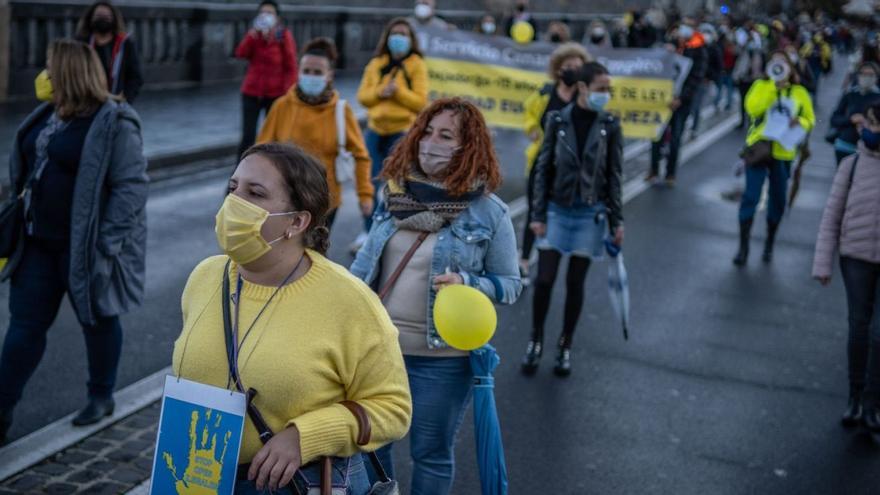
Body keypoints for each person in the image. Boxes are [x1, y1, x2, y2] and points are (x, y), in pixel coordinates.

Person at [174, 142, 412, 494]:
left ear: (298, 222)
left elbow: (393, 408)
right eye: (233, 187)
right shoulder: (205, 276)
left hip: (291, 485)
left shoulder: (348, 300)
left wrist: (305, 437)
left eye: (256, 193)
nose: (234, 203)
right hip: (196, 478)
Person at [351, 98, 522, 494]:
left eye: (446, 135)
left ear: (469, 146)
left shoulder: (489, 213)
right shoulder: (393, 194)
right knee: (374, 447)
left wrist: (468, 282)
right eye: (427, 131)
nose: (432, 142)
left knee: (430, 453)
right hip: (379, 350)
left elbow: (510, 284)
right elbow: (363, 267)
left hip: (442, 360)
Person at [0, 39, 148, 444]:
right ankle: (2, 409)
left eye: (49, 66)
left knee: (97, 319)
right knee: (24, 328)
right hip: (36, 244)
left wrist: (105, 244)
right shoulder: (49, 113)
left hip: (83, 248)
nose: (43, 74)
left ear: (67, 71)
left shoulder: (115, 121)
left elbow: (131, 188)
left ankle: (101, 395)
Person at [524, 62, 624, 376]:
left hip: (589, 213)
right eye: (601, 89)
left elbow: (614, 175)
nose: (605, 95)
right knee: (544, 279)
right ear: (582, 88)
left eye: (608, 90)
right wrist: (537, 214)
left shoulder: (610, 125)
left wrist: (616, 220)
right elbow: (542, 170)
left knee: (575, 283)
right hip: (556, 208)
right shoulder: (557, 120)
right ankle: (535, 340)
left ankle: (565, 345)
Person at [813, 102, 880, 434]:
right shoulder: (851, 166)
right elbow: (831, 217)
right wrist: (822, 263)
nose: (873, 131)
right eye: (871, 124)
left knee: (878, 335)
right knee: (859, 328)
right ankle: (854, 398)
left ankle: (872, 403)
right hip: (854, 258)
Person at [257, 38, 373, 230]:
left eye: (317, 72)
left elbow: (361, 156)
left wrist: (365, 195)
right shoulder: (282, 106)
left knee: (315, 256)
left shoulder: (341, 111)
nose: (311, 76)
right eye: (306, 71)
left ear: (329, 76)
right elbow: (261, 152)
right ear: (299, 73)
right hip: (285, 199)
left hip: (325, 202)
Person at [733, 51, 815, 266]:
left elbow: (810, 119)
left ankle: (769, 242)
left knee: (777, 199)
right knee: (751, 196)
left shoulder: (799, 92)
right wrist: (772, 87)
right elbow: (752, 108)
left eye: (783, 62)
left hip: (784, 152)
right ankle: (743, 246)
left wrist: (801, 123)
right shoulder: (760, 86)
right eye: (774, 62)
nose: (778, 65)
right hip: (759, 149)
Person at [520, 43, 591, 285]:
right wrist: (531, 129)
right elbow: (529, 111)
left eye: (577, 67)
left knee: (558, 213)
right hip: (541, 163)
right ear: (557, 69)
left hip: (570, 170)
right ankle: (525, 260)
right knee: (535, 210)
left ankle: (550, 259)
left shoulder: (586, 98)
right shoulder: (545, 92)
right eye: (567, 66)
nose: (572, 70)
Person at [356, 18, 428, 252]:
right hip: (375, 131)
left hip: (401, 132)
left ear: (411, 39)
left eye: (403, 34)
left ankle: (391, 231)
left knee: (396, 185)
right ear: (387, 37)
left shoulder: (417, 65)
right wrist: (381, 91)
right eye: (395, 33)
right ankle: (368, 231)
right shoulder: (377, 64)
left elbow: (420, 101)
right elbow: (363, 97)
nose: (398, 38)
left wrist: (398, 93)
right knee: (368, 182)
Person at [235, 0, 298, 159]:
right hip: (251, 92)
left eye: (270, 13)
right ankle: (239, 175)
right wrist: (251, 36)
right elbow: (241, 53)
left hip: (275, 94)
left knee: (272, 137)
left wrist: (288, 93)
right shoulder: (254, 35)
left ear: (277, 17)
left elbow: (291, 66)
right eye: (263, 12)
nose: (266, 16)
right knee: (247, 136)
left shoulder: (283, 36)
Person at [646, 20, 707, 186]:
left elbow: (696, 78)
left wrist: (681, 99)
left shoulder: (698, 50)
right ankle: (653, 170)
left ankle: (670, 174)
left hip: (681, 103)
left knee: (675, 138)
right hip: (662, 101)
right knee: (656, 135)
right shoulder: (667, 45)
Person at [75, 1, 143, 103]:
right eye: (99, 15)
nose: (103, 18)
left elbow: (135, 77)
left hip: (116, 104)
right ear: (90, 18)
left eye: (107, 16)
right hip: (85, 104)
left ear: (114, 19)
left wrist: (126, 99)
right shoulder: (81, 43)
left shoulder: (125, 44)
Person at [830, 62, 880, 164]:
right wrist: (851, 119)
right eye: (863, 74)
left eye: (870, 75)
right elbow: (834, 119)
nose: (867, 77)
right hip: (845, 145)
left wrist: (868, 122)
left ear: (876, 77)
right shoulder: (850, 94)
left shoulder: (878, 97)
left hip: (869, 150)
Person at [691, 23, 722, 136]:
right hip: (692, 80)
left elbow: (718, 67)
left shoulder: (714, 49)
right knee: (690, 105)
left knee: (697, 106)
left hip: (704, 81)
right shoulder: (694, 45)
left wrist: (710, 77)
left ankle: (694, 128)